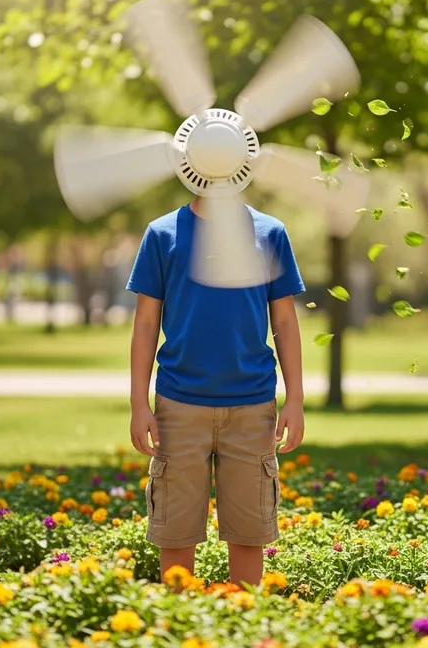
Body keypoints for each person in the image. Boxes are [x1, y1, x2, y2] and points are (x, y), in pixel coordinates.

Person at [126, 196, 306, 587]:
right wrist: (138, 403)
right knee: (175, 531)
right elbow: (145, 323)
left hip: (253, 405)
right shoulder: (162, 234)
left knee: (248, 531)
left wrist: (296, 399)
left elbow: (286, 321)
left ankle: (242, 622)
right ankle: (179, 625)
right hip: (178, 405)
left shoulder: (269, 233)